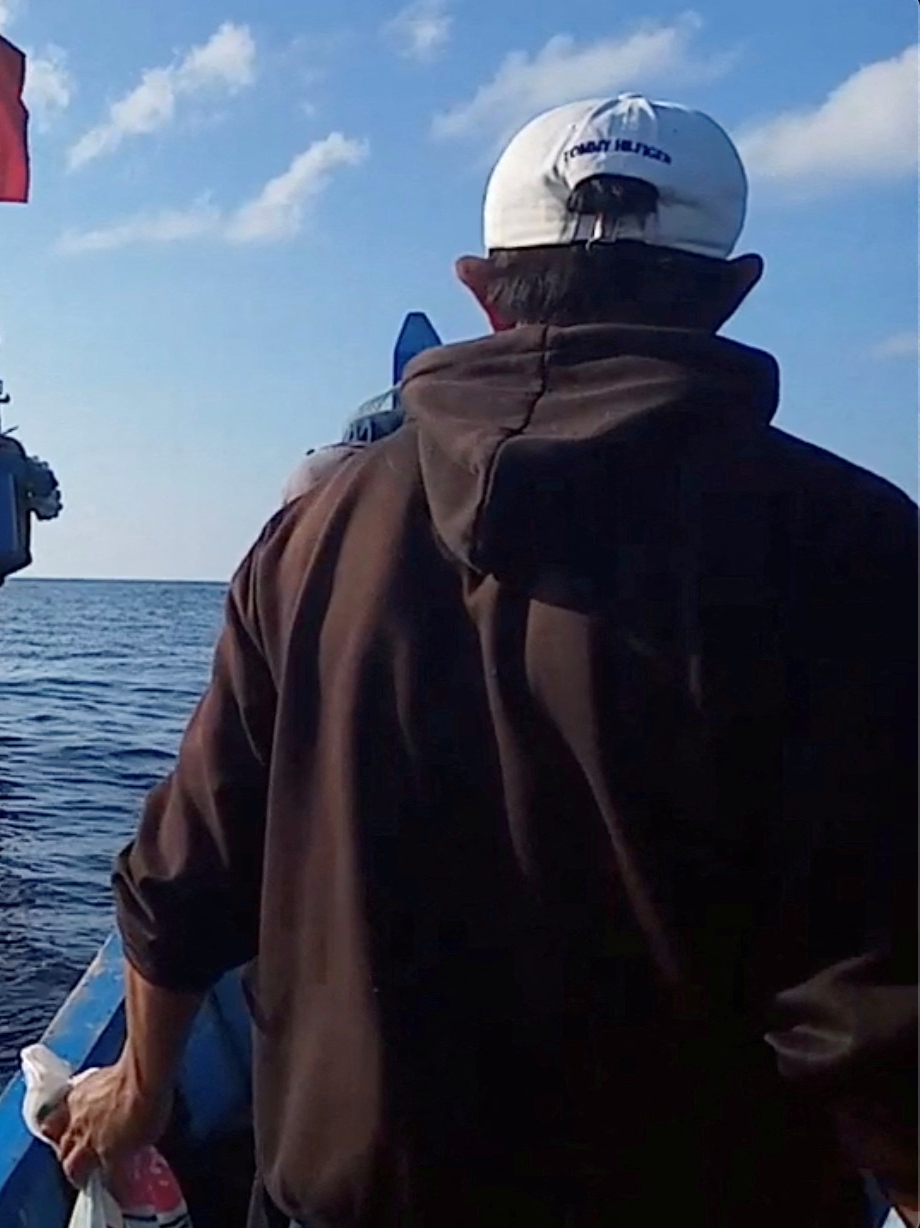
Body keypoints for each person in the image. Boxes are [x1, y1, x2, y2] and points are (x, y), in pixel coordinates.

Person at [47, 95, 916, 1228]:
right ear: (738, 287)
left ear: (480, 288)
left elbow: (186, 866)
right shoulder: (851, 543)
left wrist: (141, 1086)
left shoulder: (312, 535)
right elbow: (878, 988)